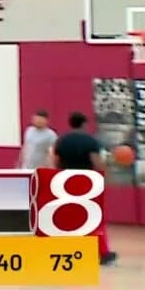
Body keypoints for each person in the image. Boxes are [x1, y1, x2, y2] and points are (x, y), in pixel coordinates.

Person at [51, 111, 115, 265]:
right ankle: (102, 253)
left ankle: (68, 251)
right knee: (93, 218)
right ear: (84, 124)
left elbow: (55, 161)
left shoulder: (62, 141)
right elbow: (96, 162)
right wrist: (104, 178)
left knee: (67, 216)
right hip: (86, 182)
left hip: (65, 181)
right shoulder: (90, 141)